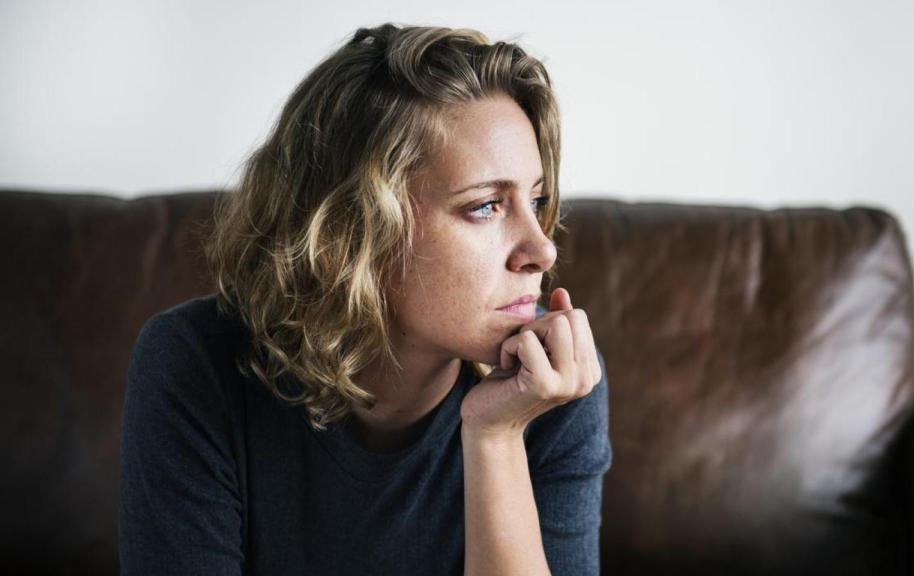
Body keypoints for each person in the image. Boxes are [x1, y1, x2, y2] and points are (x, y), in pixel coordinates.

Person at [119, 23, 611, 576]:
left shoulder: (554, 384)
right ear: (355, 231)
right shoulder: (194, 364)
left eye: (537, 198)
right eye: (484, 206)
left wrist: (495, 436)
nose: (542, 249)